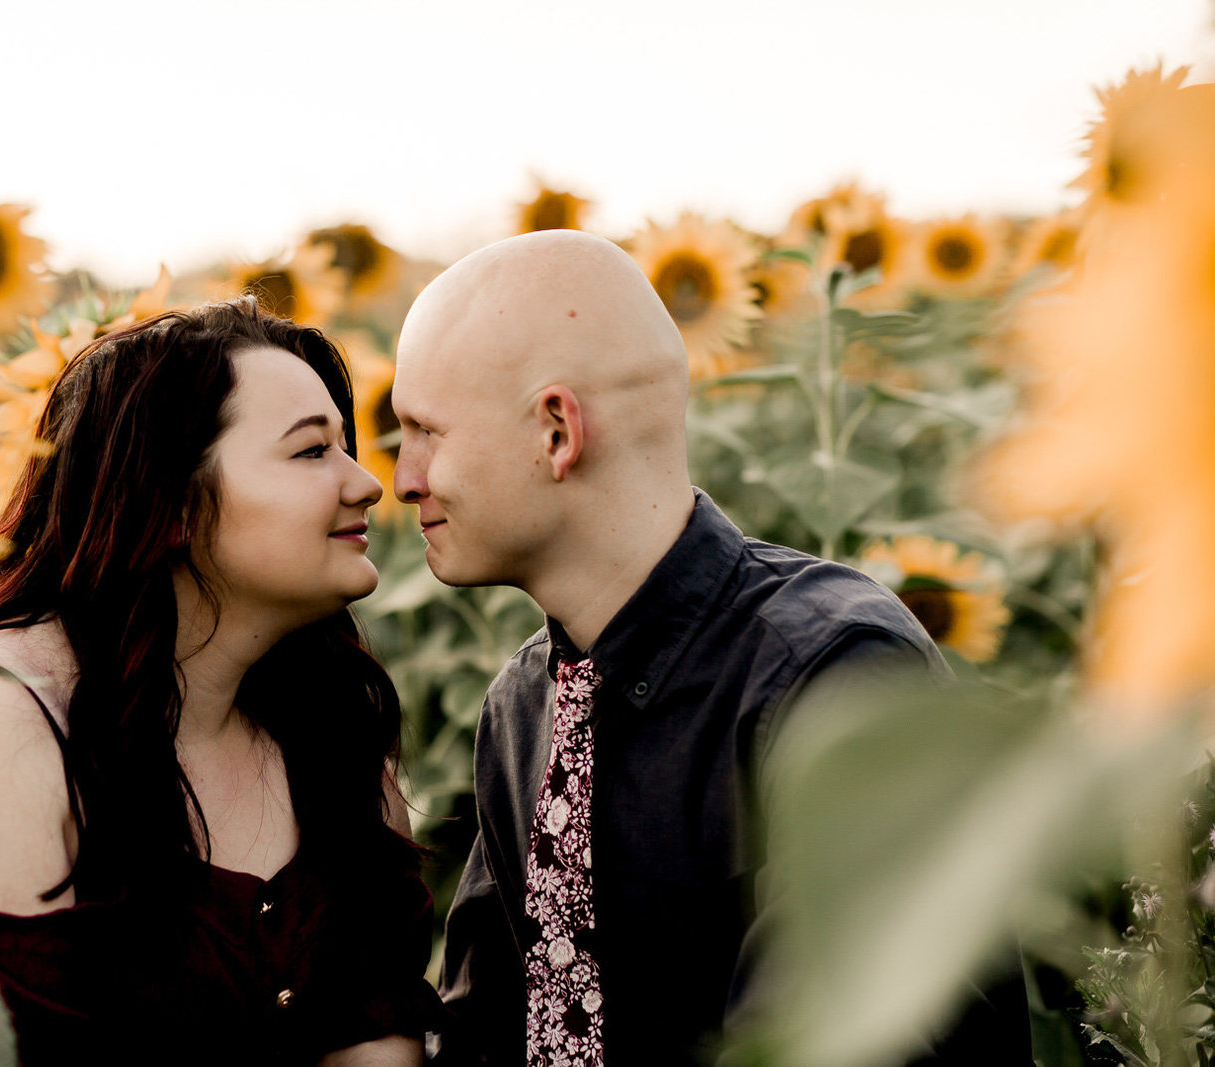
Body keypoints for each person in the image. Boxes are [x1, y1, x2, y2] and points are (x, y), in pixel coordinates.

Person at [0, 299, 441, 1067]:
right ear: (164, 498)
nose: (370, 483)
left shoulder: (328, 739)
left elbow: (376, 1037)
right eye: (311, 452)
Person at [391, 230, 1031, 1065]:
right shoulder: (525, 705)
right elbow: (487, 1033)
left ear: (557, 430)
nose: (402, 477)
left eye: (425, 432)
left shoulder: (831, 673)